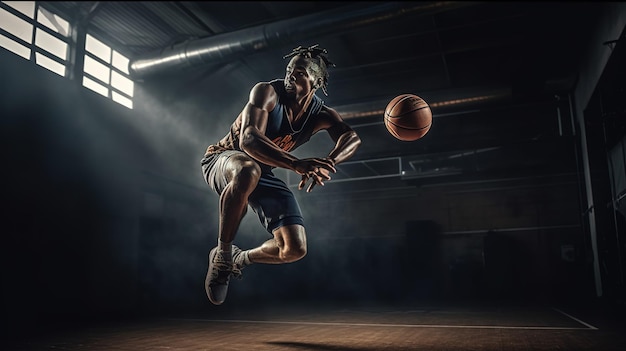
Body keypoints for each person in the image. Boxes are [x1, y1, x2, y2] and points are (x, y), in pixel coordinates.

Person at [200, 44, 361, 305]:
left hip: (261, 171)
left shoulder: (319, 114)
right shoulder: (267, 92)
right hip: (222, 160)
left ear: (316, 81)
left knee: (294, 248)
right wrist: (297, 164)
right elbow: (249, 141)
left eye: (298, 73)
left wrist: (329, 161)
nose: (289, 77)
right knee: (247, 168)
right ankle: (223, 254)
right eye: (288, 70)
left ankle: (240, 258)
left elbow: (351, 137)